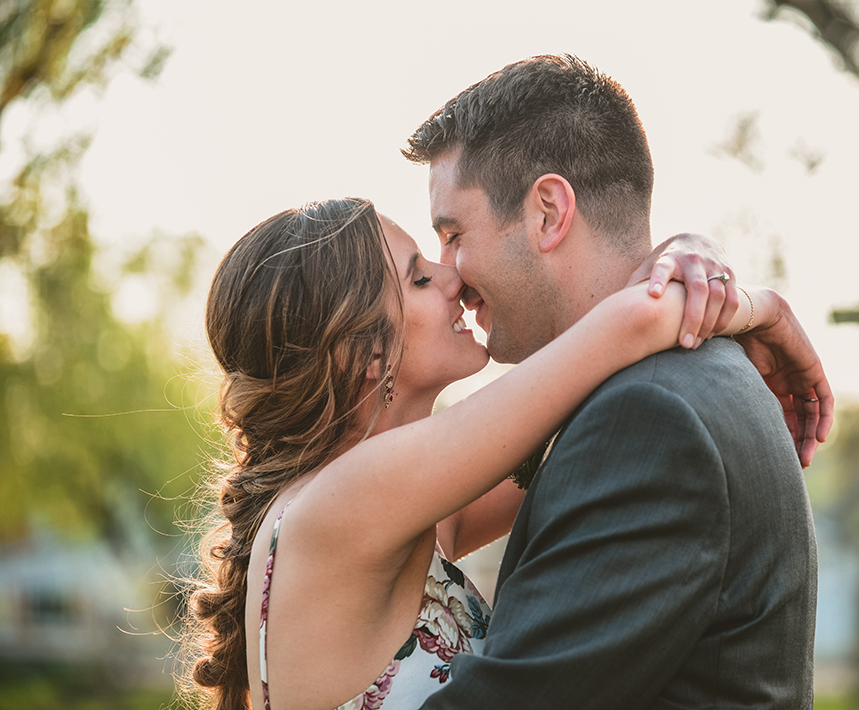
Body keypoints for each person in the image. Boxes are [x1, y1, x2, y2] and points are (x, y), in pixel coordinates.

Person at [184, 196, 812, 710]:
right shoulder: (345, 501)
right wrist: (761, 308)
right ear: (364, 354)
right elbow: (633, 326)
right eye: (420, 278)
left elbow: (592, 422)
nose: (453, 278)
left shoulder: (406, 512)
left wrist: (685, 256)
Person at [402, 55, 829, 709]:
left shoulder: (651, 416)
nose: (451, 274)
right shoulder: (647, 388)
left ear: (548, 211)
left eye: (454, 234)